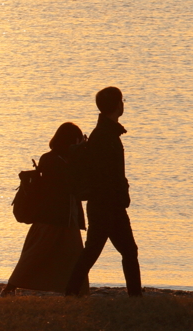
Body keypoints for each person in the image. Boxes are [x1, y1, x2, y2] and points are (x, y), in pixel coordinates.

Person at [65, 86, 143, 297]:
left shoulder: (105, 134)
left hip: (107, 204)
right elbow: (109, 174)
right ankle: (71, 292)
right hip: (107, 205)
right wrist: (121, 194)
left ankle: (135, 297)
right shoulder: (105, 137)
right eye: (122, 101)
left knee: (123, 251)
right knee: (98, 252)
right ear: (118, 106)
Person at [2, 122, 89, 296]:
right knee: (34, 255)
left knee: (74, 257)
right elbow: (69, 182)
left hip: (66, 218)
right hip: (51, 219)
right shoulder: (51, 159)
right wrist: (80, 154)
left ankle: (78, 292)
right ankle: (10, 287)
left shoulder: (63, 159)